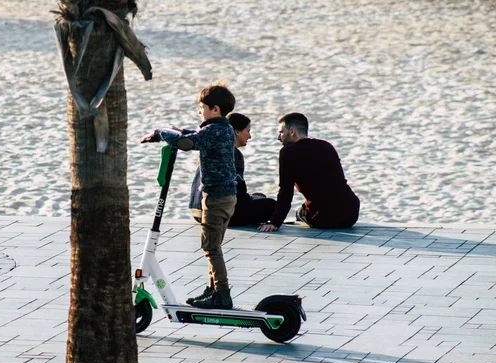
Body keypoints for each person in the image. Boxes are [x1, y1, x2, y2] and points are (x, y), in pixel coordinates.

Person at [140, 83, 237, 309]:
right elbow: (195, 136)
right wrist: (180, 131)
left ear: (214, 109)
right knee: (214, 245)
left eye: (201, 107)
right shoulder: (224, 128)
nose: (199, 111)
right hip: (227, 197)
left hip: (216, 198)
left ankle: (222, 293)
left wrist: (163, 132)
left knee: (211, 247)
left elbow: (188, 143)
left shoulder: (213, 130)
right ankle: (213, 289)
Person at [259, 113, 360, 232]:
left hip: (325, 218)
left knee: (300, 212)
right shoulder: (326, 146)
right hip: (351, 213)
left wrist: (275, 222)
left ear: (292, 131)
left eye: (281, 132)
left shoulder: (288, 153)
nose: (278, 137)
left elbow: (286, 191)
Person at [190, 113, 276, 226]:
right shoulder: (234, 153)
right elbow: (239, 192)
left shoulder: (213, 147)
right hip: (218, 213)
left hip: (197, 211)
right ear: (237, 131)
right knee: (272, 205)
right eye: (248, 131)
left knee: (258, 196)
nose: (249, 136)